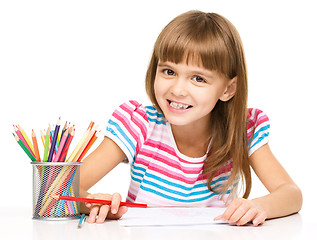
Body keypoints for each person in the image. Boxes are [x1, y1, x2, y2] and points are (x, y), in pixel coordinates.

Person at [79, 10, 302, 226]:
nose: (177, 89)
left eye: (198, 78)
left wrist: (260, 206)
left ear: (228, 89)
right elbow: (60, 189)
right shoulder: (138, 125)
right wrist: (93, 203)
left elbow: (291, 194)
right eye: (169, 72)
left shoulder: (242, 130)